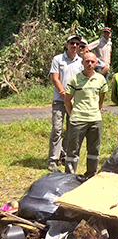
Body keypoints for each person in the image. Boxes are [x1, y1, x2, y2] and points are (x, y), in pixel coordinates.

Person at [63, 52, 108, 177]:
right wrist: (73, 114)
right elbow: (67, 100)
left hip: (95, 120)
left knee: (94, 150)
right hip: (78, 120)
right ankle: (69, 176)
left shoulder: (100, 79)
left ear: (96, 63)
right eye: (87, 61)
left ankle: (91, 175)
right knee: (72, 150)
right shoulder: (75, 79)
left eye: (92, 62)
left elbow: (101, 98)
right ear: (82, 63)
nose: (89, 64)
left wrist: (96, 111)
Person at [48, 34, 84, 171]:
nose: (75, 46)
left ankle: (64, 154)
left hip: (74, 101)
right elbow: (55, 79)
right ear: (67, 45)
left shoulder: (80, 62)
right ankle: (52, 159)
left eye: (77, 44)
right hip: (59, 99)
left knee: (71, 129)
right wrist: (64, 94)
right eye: (72, 43)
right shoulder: (58, 59)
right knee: (57, 129)